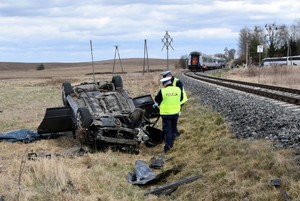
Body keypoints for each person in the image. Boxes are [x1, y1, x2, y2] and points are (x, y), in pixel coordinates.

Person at [153, 77, 182, 153]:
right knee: (173, 128)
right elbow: (181, 98)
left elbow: (157, 99)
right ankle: (174, 144)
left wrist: (158, 103)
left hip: (166, 114)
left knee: (167, 131)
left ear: (164, 83)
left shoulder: (163, 91)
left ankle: (168, 148)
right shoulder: (178, 89)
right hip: (176, 113)